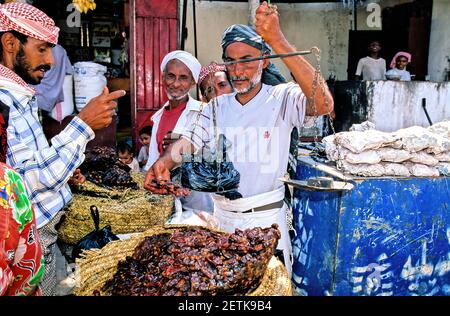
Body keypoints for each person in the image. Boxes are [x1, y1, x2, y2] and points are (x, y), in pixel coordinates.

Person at [144, 1, 333, 276]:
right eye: (231, 61)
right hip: (223, 222)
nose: (238, 69)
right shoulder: (216, 107)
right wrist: (163, 164)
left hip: (267, 222)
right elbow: (188, 142)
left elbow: (323, 103)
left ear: (265, 60)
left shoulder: (281, 98)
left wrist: (277, 39)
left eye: (247, 60)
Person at [0, 2, 126, 295]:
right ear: (10, 43)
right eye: (42, 49)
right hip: (28, 242)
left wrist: (65, 174)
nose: (52, 62)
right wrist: (83, 124)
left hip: (44, 236)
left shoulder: (20, 95)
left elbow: (25, 167)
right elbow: (30, 182)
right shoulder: (5, 101)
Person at [143, 50, 213, 218]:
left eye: (183, 78)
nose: (175, 84)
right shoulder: (159, 117)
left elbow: (218, 154)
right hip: (165, 198)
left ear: (193, 82)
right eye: (171, 76)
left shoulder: (203, 112)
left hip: (197, 201)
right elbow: (153, 160)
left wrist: (182, 148)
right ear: (163, 77)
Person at [31, 44, 72, 113]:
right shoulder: (60, 49)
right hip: (54, 96)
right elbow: (69, 71)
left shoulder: (34, 47)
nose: (51, 61)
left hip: (36, 96)